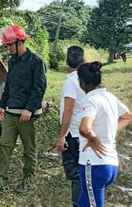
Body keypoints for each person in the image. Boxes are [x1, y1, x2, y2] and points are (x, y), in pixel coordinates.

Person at [0, 25, 47, 196]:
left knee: (29, 148)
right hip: (11, 112)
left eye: (9, 45)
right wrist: (1, 105)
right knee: (5, 146)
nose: (7, 48)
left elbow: (39, 88)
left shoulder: (36, 62)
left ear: (18, 42)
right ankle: (1, 182)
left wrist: (29, 109)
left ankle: (27, 179)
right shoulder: (12, 62)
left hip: (26, 115)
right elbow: (9, 86)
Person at [77, 62, 131, 207]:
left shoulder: (91, 100)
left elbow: (84, 128)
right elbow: (128, 116)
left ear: (81, 81)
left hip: (93, 164)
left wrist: (92, 138)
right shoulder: (110, 97)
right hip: (110, 165)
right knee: (83, 203)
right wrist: (110, 131)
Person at [56, 46, 86, 206]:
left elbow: (68, 109)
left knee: (75, 173)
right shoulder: (88, 78)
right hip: (87, 131)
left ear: (67, 61)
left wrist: (62, 136)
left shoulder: (71, 81)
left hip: (74, 134)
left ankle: (77, 203)